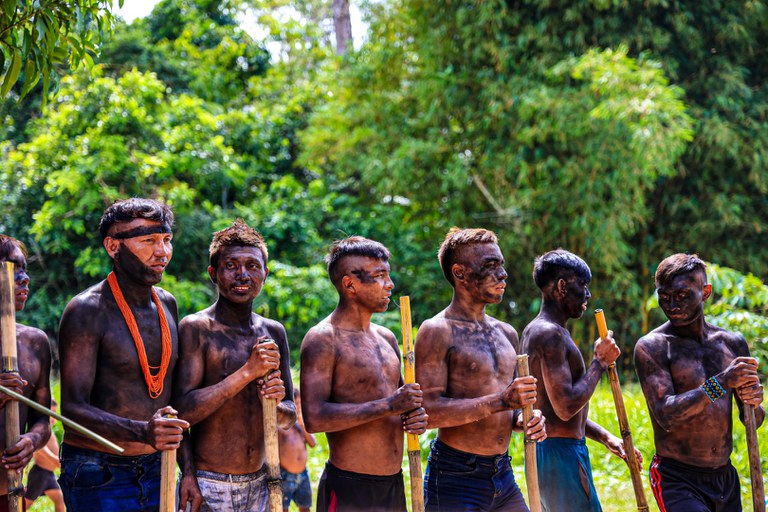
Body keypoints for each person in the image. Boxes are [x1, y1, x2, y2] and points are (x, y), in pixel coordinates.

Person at [58, 198, 189, 512]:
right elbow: (72, 409)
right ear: (112, 247)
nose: (162, 252)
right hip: (99, 471)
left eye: (166, 240)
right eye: (148, 241)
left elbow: (169, 401)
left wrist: (189, 470)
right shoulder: (87, 310)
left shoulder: (167, 304)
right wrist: (143, 431)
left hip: (160, 465)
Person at [414, 227, 546, 512]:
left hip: (502, 473)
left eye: (502, 265)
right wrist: (502, 401)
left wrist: (525, 418)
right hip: (456, 475)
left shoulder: (506, 333)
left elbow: (508, 408)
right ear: (459, 273)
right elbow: (428, 412)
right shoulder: (437, 330)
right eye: (490, 266)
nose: (503, 275)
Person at [174, 219, 296, 512]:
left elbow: (289, 416)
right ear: (213, 273)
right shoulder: (197, 329)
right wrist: (247, 373)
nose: (242, 275)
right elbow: (181, 414)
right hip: (208, 483)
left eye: (252, 266)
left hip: (263, 482)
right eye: (231, 266)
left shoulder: (273, 332)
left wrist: (275, 404)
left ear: (265, 274)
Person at [300, 236, 428, 512]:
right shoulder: (323, 339)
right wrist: (388, 406)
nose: (390, 284)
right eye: (380, 276)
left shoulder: (387, 337)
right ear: (350, 285)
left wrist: (414, 413)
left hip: (393, 484)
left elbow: (406, 403)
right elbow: (314, 417)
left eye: (388, 274)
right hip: (349, 488)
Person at [635, 253, 765, 512]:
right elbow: (666, 414)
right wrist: (722, 381)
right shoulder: (653, 347)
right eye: (664, 296)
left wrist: (755, 402)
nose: (672, 304)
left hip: (724, 478)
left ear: (705, 292)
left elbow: (753, 418)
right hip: (677, 478)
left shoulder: (732, 344)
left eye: (682, 295)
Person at [519, 249, 640, 512]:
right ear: (562, 286)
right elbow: (565, 406)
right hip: (561, 455)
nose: (587, 295)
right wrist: (600, 362)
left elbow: (553, 411)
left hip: (550, 453)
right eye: (582, 285)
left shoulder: (535, 330)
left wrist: (607, 438)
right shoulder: (550, 334)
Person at [0, 235, 52, 512]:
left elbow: (42, 420)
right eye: (11, 268)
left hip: (9, 492)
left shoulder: (34, 342)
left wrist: (31, 441)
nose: (24, 279)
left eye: (25, 269)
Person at [278, 387, 315, 512]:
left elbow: (313, 443)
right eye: (295, 405)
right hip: (284, 475)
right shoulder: (280, 426)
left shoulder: (302, 424)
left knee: (305, 507)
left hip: (303, 473)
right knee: (283, 508)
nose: (297, 408)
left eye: (299, 404)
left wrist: (302, 424)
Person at [24, 399, 65, 512]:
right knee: (25, 504)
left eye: (55, 413)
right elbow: (40, 450)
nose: (53, 417)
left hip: (49, 474)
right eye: (51, 413)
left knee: (60, 500)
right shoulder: (41, 431)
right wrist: (57, 461)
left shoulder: (50, 431)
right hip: (40, 473)